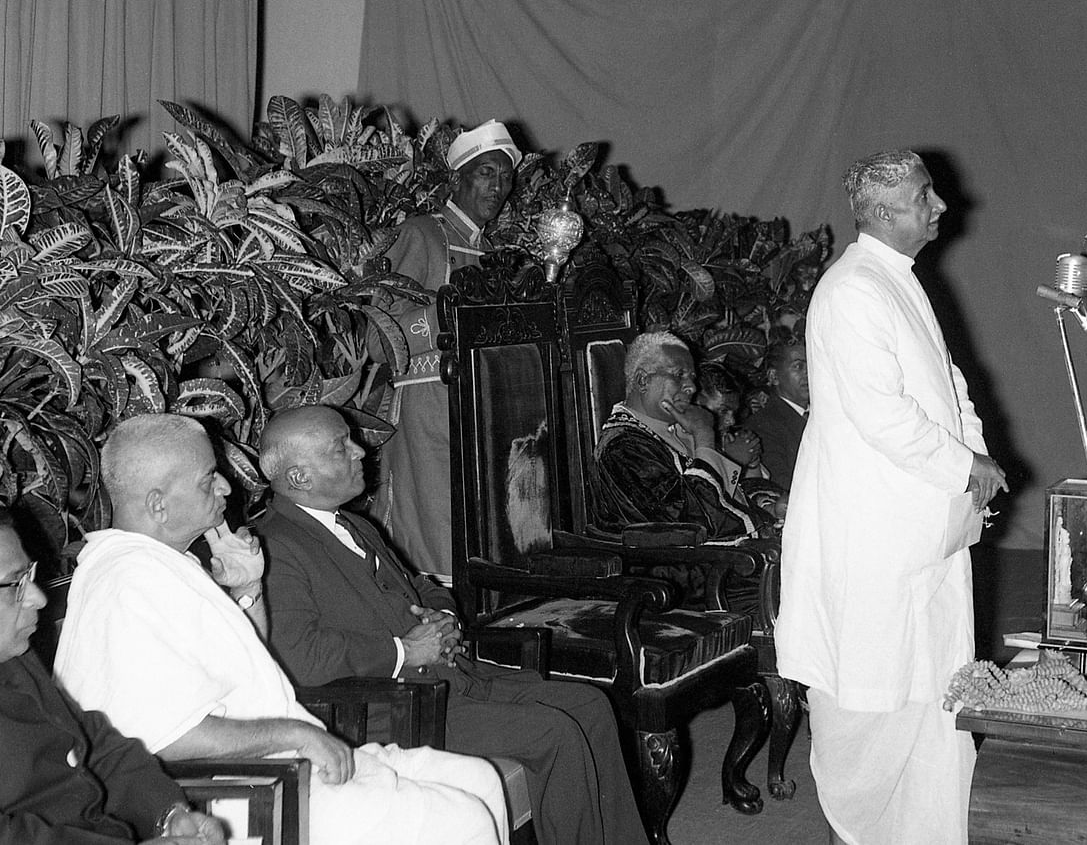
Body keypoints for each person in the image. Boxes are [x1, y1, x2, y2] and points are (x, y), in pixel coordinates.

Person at [54, 414, 509, 845]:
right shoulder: (127, 582)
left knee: (482, 781)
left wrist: (248, 589)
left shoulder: (165, 562)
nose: (226, 486)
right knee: (462, 819)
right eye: (208, 478)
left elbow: (246, 670)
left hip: (276, 761)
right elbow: (167, 738)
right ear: (158, 504)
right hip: (234, 794)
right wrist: (299, 736)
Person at [255, 405, 649, 845]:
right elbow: (299, 655)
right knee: (554, 733)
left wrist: (443, 616)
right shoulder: (275, 546)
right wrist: (405, 650)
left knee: (589, 705)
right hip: (390, 711)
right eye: (340, 446)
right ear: (299, 478)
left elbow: (421, 585)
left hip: (450, 679)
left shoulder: (354, 525)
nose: (359, 451)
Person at [774, 150, 1008, 845]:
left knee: (934, 693)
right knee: (868, 701)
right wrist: (965, 465)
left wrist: (975, 454)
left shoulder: (896, 279)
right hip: (870, 537)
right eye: (923, 195)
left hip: (922, 531)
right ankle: (864, 832)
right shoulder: (851, 289)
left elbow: (949, 383)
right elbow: (884, 415)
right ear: (879, 212)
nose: (939, 205)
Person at [0, 506, 226, 845]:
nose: (38, 598)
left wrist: (168, 815)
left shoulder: (15, 657)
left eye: (29, 576)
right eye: (15, 585)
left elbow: (91, 741)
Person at [370, 119, 521, 583]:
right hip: (429, 403)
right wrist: (439, 331)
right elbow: (378, 330)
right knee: (433, 521)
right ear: (457, 178)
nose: (498, 186)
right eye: (486, 173)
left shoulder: (493, 250)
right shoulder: (422, 233)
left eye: (506, 177)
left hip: (481, 406)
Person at [592, 331, 781, 542]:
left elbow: (727, 498)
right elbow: (695, 522)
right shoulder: (622, 447)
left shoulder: (676, 429)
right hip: (683, 566)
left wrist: (769, 508)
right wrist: (704, 436)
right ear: (643, 380)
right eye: (678, 375)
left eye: (691, 377)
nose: (691, 387)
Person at [742, 336, 810, 490]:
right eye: (798, 366)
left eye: (811, 366)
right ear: (773, 377)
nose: (808, 374)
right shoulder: (762, 425)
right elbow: (781, 483)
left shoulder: (826, 414)